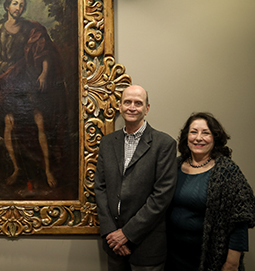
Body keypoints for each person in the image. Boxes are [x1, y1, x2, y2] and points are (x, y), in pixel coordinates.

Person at [0, 0, 65, 188]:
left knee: (39, 120)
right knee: (9, 122)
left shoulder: (30, 28)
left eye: (21, 5)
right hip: (6, 78)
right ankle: (16, 168)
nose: (18, 8)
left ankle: (47, 170)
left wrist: (44, 74)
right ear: (7, 7)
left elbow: (43, 50)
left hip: (25, 76)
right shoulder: (2, 28)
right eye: (14, 4)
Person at [94, 85, 177, 270]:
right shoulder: (107, 143)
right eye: (127, 102)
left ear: (147, 108)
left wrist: (127, 234)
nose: (132, 107)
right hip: (113, 244)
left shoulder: (164, 144)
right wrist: (111, 233)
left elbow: (161, 197)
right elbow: (100, 188)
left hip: (147, 245)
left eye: (138, 103)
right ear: (120, 106)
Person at [166, 112, 255, 271]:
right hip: (173, 256)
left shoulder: (227, 171)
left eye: (205, 133)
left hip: (210, 257)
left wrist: (231, 264)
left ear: (215, 138)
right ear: (187, 136)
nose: (198, 138)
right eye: (193, 132)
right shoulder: (174, 166)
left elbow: (241, 219)